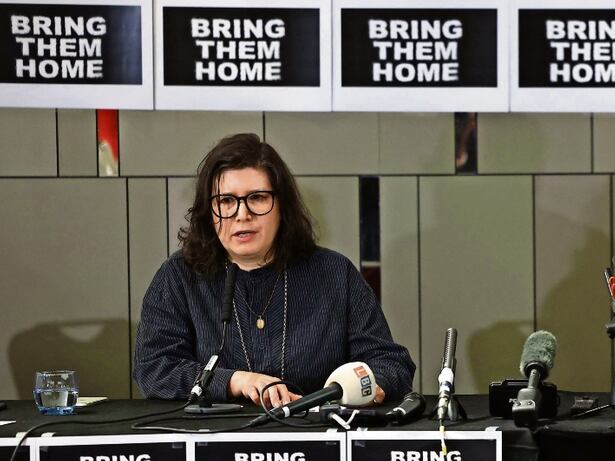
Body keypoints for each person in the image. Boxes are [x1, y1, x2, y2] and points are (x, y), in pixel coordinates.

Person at [134, 133, 415, 407]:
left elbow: (389, 364)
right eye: (226, 201)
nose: (242, 215)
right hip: (215, 444)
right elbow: (154, 368)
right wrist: (235, 381)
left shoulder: (334, 273)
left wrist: (370, 386)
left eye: (256, 198)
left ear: (282, 206)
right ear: (210, 211)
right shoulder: (179, 276)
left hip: (315, 441)